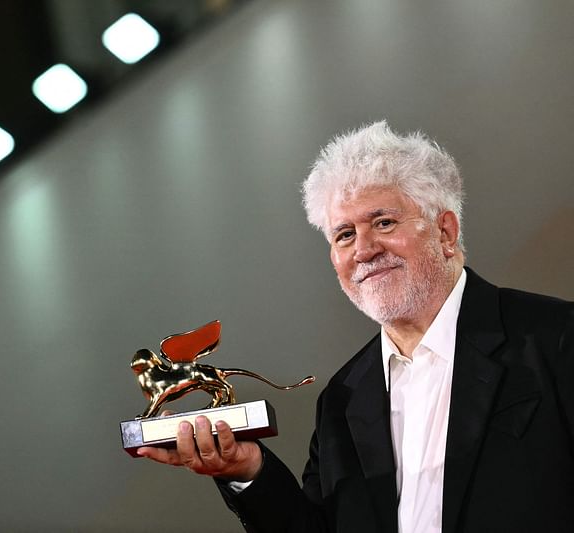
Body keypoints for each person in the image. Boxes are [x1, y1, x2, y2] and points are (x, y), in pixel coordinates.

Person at [138, 121, 574, 532]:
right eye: (344, 234)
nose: (364, 250)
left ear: (445, 232)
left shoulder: (555, 339)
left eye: (383, 222)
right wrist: (247, 471)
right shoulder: (343, 400)